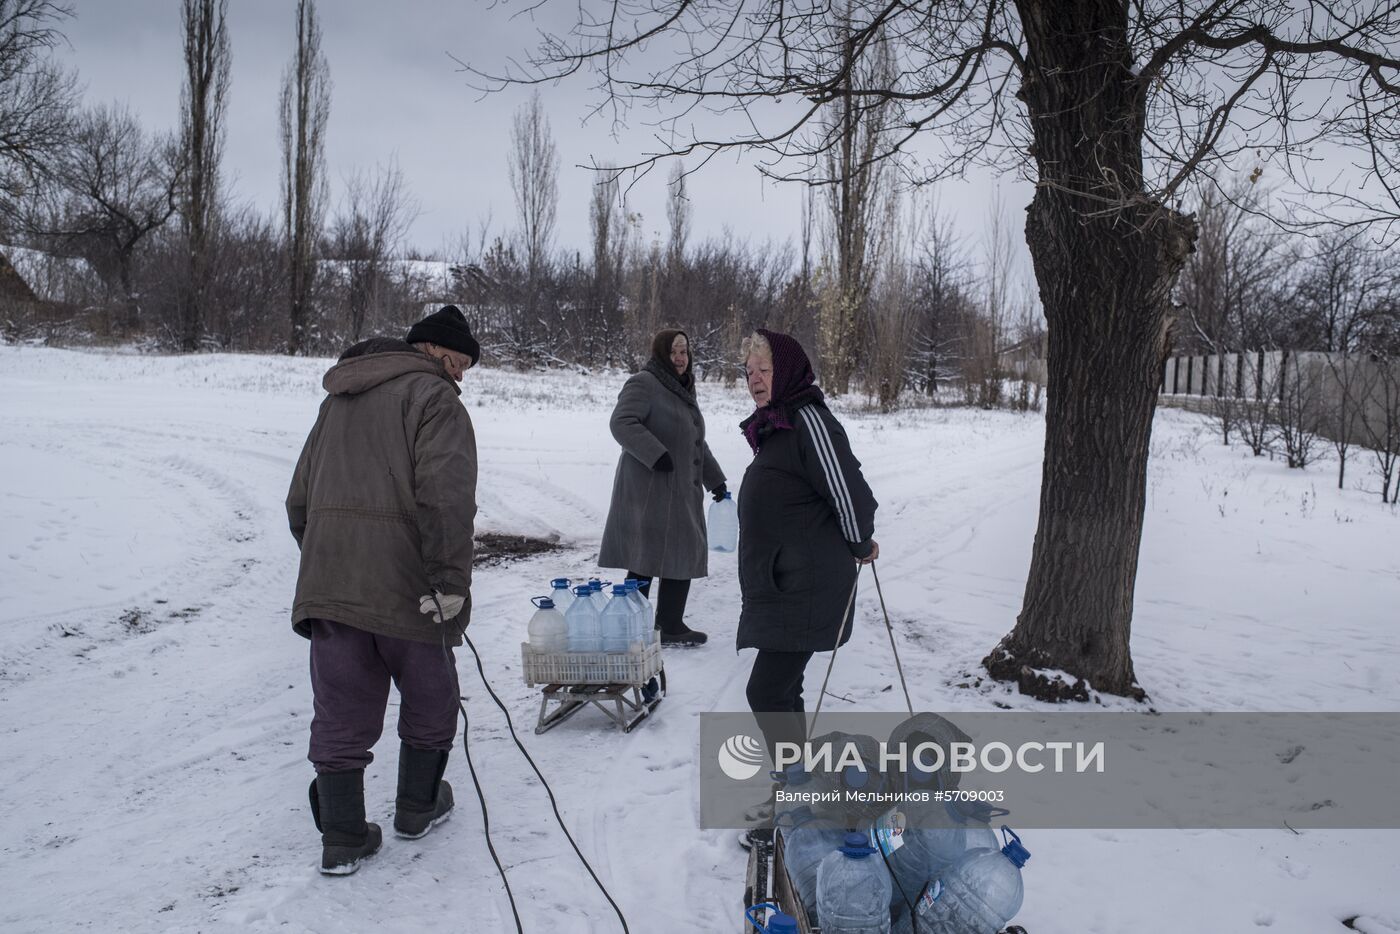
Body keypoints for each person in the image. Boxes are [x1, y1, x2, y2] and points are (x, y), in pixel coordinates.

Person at [286, 304, 480, 875]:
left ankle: (342, 837)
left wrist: (332, 562)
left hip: (332, 584)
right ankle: (417, 807)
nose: (461, 376)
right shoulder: (435, 399)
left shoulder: (334, 401)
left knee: (341, 708)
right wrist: (449, 582)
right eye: (459, 362)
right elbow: (445, 499)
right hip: (410, 587)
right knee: (431, 694)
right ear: (435, 352)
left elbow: (299, 501)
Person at [736, 329, 879, 767]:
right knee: (783, 689)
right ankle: (797, 787)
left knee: (767, 690)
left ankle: (794, 786)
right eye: (749, 372)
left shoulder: (806, 417)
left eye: (765, 369)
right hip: (786, 582)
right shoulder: (779, 422)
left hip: (807, 584)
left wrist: (860, 541)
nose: (756, 379)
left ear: (789, 370)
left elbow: (846, 488)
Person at [599, 328, 727, 646]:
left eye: (684, 351)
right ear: (660, 355)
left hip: (680, 489)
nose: (680, 358)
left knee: (681, 552)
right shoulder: (645, 382)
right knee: (645, 556)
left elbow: (694, 439)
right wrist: (655, 454)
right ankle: (630, 626)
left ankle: (669, 624)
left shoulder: (682, 388)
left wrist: (717, 480)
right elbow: (622, 422)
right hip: (649, 489)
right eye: (673, 352)